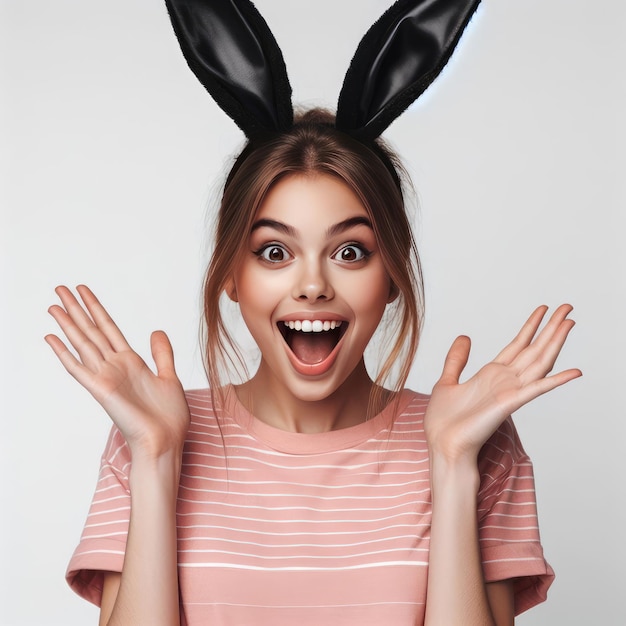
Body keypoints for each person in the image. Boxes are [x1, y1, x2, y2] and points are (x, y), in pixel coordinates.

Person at [45, 2, 581, 625]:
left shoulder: (474, 438)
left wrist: (455, 462)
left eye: (350, 251)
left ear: (393, 278)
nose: (312, 285)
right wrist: (158, 458)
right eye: (275, 251)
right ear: (231, 278)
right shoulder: (149, 431)